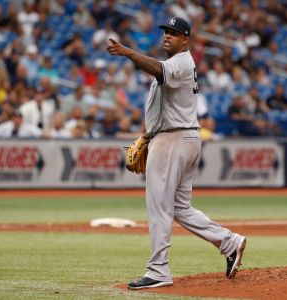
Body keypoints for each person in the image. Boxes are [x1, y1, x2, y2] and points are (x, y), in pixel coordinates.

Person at [106, 17, 247, 290]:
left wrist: (128, 52)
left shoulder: (180, 62)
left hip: (174, 139)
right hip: (181, 136)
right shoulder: (176, 64)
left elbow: (156, 69)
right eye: (166, 32)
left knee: (159, 206)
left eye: (175, 32)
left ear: (186, 40)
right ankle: (229, 242)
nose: (168, 36)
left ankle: (158, 270)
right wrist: (149, 135)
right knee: (179, 208)